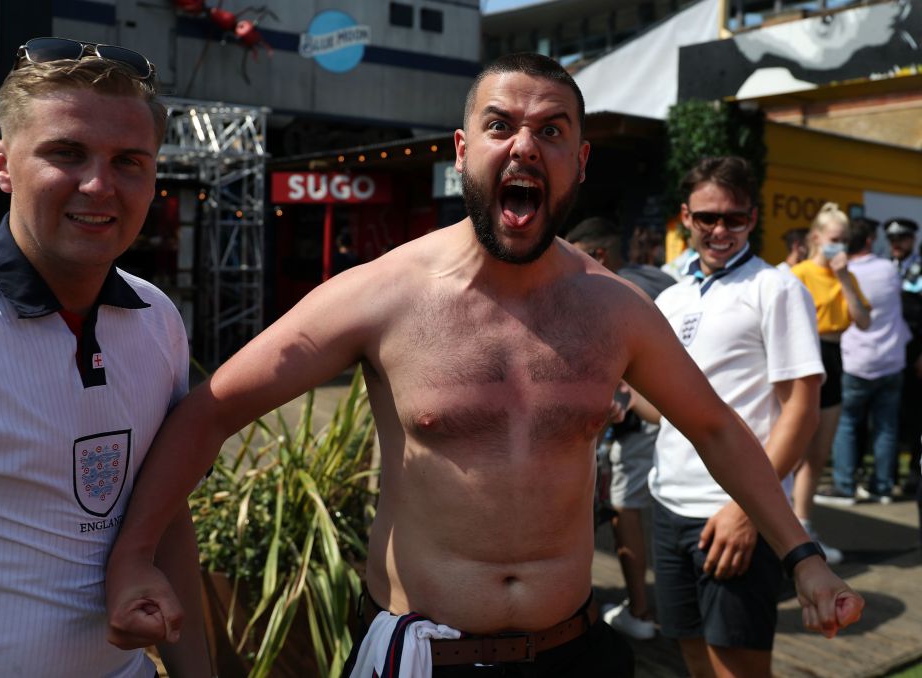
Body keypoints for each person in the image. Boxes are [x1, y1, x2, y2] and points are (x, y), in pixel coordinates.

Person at [104, 53, 863, 678]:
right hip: (426, 656)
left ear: (579, 161)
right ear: (463, 151)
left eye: (552, 131)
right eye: (500, 126)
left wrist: (804, 557)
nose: (524, 147)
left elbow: (716, 427)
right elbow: (210, 412)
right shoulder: (380, 295)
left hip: (573, 653)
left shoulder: (617, 309)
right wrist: (136, 554)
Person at [0, 37, 209, 676]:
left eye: (129, 161)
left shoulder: (157, 319)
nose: (99, 185)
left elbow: (166, 510)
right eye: (67, 153)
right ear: (2, 163)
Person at [636, 156, 824, 677]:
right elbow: (668, 408)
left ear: (753, 218)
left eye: (734, 218)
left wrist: (748, 511)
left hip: (734, 510)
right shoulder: (672, 297)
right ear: (685, 217)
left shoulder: (776, 288)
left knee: (738, 670)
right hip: (669, 504)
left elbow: (802, 410)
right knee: (695, 661)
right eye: (707, 218)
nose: (720, 230)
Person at [565, 216, 675, 640]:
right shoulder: (659, 279)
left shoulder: (612, 291)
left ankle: (641, 611)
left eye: (575, 253)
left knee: (626, 509)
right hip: (681, 412)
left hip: (641, 415)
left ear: (599, 255)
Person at [791, 203, 871, 564]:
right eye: (835, 240)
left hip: (835, 358)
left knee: (817, 454)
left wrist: (842, 279)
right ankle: (775, 526)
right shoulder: (801, 273)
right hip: (805, 357)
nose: (840, 247)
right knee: (789, 448)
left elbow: (864, 321)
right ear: (817, 238)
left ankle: (803, 526)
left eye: (844, 241)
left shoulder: (846, 275)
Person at [815, 218, 909, 505]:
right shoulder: (887, 270)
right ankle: (882, 486)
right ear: (869, 241)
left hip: (855, 360)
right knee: (886, 427)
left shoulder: (842, 274)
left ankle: (844, 485)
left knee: (847, 424)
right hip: (891, 359)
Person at [885, 217, 922, 495]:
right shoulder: (884, 267)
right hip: (887, 356)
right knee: (888, 416)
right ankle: (886, 475)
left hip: (913, 356)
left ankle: (912, 475)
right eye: (893, 240)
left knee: (914, 415)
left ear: (912, 240)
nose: (897, 244)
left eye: (902, 239)